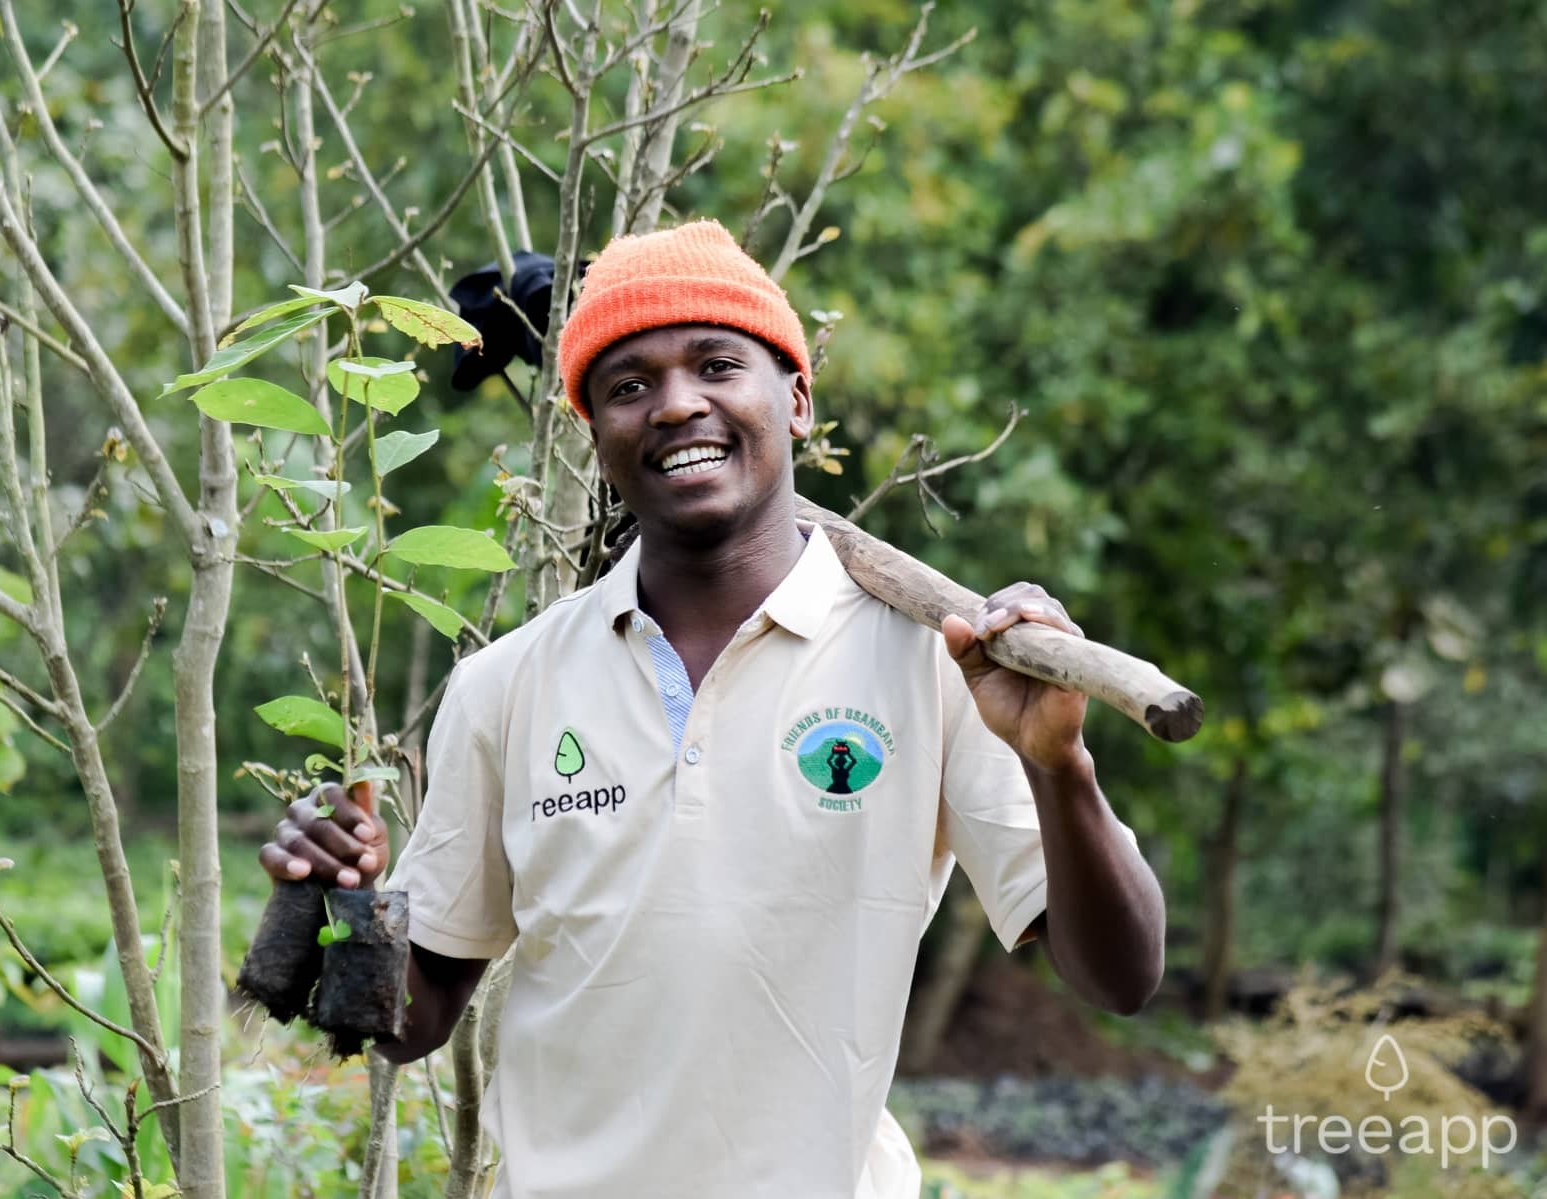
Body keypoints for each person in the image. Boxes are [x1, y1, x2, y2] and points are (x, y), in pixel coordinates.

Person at [258, 220, 1166, 1198]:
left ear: (798, 400)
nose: (677, 404)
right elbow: (416, 1017)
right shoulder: (506, 687)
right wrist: (346, 903)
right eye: (628, 385)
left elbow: (1121, 975)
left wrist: (1059, 765)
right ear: (595, 435)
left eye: (718, 365)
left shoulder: (935, 666)